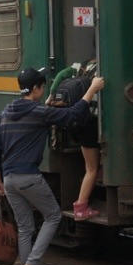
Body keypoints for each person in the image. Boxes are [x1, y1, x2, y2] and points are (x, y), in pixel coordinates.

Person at [0, 67, 105, 265]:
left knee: (25, 227)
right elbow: (72, 116)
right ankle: (32, 263)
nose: (43, 90)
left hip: (9, 179)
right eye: (42, 87)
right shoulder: (39, 112)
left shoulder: (5, 113)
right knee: (53, 215)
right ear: (36, 89)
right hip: (28, 176)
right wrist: (92, 89)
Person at [48, 60, 102, 221]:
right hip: (91, 122)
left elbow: (60, 75)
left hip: (78, 123)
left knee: (90, 167)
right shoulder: (102, 68)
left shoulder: (81, 66)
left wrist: (51, 96)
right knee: (91, 169)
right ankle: (80, 207)